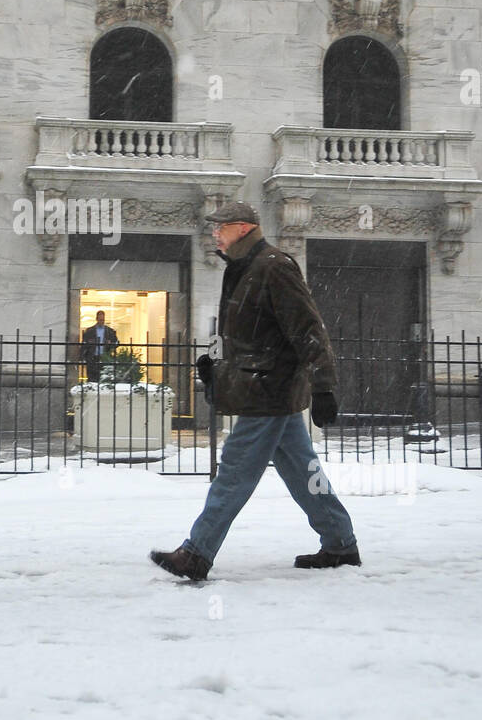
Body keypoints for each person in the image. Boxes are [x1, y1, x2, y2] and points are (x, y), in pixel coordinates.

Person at [150, 202, 360, 581]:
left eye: (221, 227)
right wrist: (215, 366)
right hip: (262, 388)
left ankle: (196, 553)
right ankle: (340, 543)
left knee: (233, 472)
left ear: (243, 228)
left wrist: (324, 385)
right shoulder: (243, 268)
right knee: (303, 472)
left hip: (269, 390)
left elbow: (308, 329)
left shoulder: (273, 266)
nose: (214, 233)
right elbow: (246, 335)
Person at [81, 310, 118, 382]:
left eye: (103, 320)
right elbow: (84, 344)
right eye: (100, 320)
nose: (101, 322)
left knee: (104, 378)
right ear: (97, 319)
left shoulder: (110, 331)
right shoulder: (89, 331)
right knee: (92, 377)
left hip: (104, 357)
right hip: (92, 357)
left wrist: (110, 343)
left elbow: (116, 343)